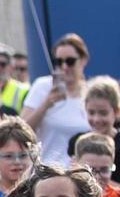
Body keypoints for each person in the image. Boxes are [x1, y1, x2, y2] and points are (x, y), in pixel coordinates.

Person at [22, 33, 93, 166]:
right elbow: (21, 130)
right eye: (59, 62)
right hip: (46, 170)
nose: (64, 67)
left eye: (70, 61)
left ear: (83, 60)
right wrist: (46, 104)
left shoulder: (91, 93)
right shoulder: (42, 87)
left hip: (80, 173)